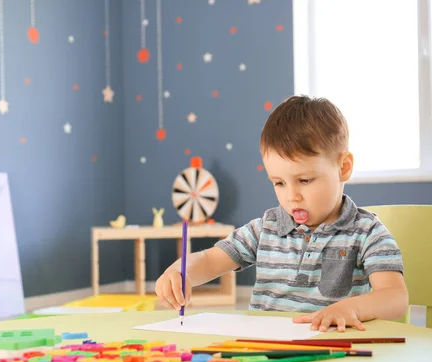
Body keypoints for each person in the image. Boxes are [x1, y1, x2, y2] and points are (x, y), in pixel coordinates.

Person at [155, 95, 409, 332]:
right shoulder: (266, 228)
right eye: (279, 183)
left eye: (305, 180)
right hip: (264, 354)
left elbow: (395, 297)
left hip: (332, 357)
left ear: (343, 167)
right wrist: (180, 271)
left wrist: (350, 308)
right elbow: (211, 260)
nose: (291, 196)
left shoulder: (367, 233)